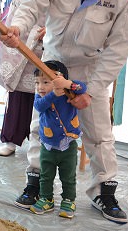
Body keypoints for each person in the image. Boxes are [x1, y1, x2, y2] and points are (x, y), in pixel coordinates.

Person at [1, 0, 128, 224]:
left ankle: (104, 191)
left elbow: (119, 46)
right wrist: (19, 26)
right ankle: (35, 181)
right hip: (52, 63)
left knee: (99, 133)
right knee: (42, 123)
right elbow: (31, 5)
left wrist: (91, 88)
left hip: (91, 68)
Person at [0, 0, 58, 158]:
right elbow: (14, 21)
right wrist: (32, 34)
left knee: (44, 99)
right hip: (24, 53)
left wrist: (49, 33)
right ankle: (11, 141)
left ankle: (43, 143)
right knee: (19, 99)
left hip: (49, 54)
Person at [29, 60, 87, 218]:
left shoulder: (69, 92)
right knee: (46, 175)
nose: (40, 87)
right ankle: (46, 198)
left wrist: (67, 84)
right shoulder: (41, 97)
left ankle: (69, 200)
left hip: (68, 144)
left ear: (58, 80)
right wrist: (53, 93)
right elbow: (39, 107)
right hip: (47, 146)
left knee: (68, 176)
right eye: (37, 83)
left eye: (46, 82)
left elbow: (83, 87)